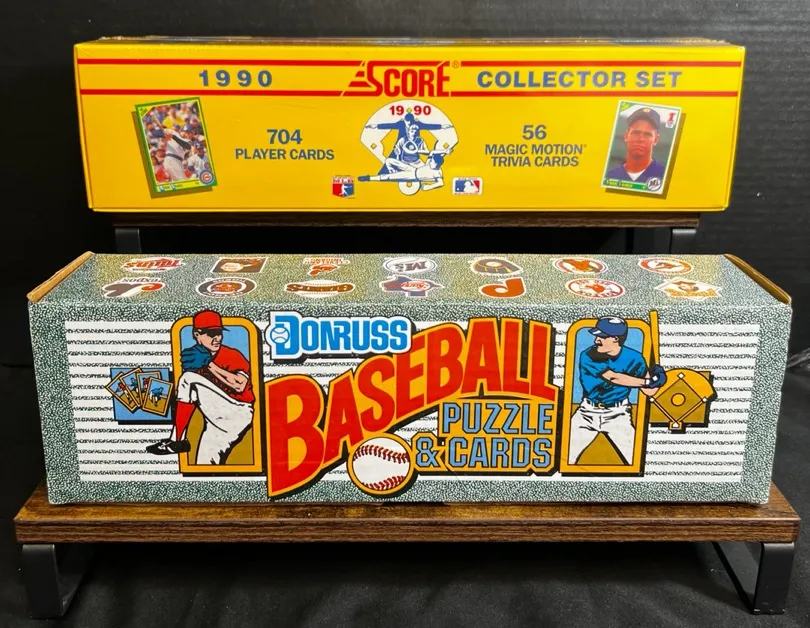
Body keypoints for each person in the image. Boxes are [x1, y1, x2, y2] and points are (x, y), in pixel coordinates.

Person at [146, 310, 255, 464]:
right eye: (211, 333)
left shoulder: (231, 354)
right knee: (204, 464)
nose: (217, 338)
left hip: (237, 411)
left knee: (188, 378)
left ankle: (176, 440)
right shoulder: (194, 356)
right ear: (197, 334)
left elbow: (239, 385)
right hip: (215, 419)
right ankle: (178, 442)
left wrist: (209, 365)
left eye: (219, 333)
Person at [568, 316, 667, 465]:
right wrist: (649, 382)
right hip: (586, 413)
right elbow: (613, 378)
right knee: (564, 457)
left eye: (602, 336)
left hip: (618, 414)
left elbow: (649, 392)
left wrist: (658, 378)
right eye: (596, 336)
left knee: (635, 460)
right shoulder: (588, 355)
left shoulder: (634, 358)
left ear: (615, 338)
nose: (596, 340)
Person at [605, 107, 666, 184]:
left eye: (647, 134)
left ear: (656, 140)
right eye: (636, 133)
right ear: (626, 136)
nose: (641, 139)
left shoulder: (665, 175)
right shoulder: (610, 176)